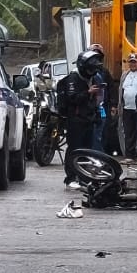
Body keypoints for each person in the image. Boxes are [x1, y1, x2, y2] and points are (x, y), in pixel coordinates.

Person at [56, 49, 102, 188]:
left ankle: (84, 177)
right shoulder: (73, 79)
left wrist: (97, 115)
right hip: (75, 120)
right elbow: (72, 98)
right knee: (75, 149)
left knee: (87, 150)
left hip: (88, 119)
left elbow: (94, 101)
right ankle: (70, 178)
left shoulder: (92, 79)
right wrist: (88, 92)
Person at [119, 54, 137, 162]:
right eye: (131, 62)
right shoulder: (124, 75)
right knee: (128, 132)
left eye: (134, 62)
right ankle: (130, 155)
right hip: (127, 108)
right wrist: (119, 105)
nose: (132, 64)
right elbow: (121, 90)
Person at [86, 44, 108, 151]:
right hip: (84, 112)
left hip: (98, 111)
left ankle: (99, 161)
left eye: (98, 57)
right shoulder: (81, 74)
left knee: (96, 138)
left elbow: (101, 95)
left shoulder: (100, 74)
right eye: (93, 57)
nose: (96, 60)